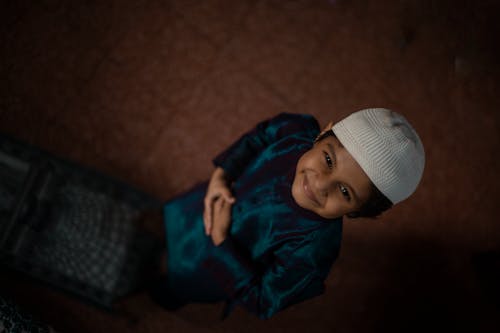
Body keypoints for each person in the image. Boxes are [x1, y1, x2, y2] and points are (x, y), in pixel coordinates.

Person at [150, 108, 425, 319]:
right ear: (322, 134)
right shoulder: (295, 132)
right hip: (202, 202)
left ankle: (162, 294)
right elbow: (259, 136)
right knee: (167, 224)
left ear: (359, 212)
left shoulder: (312, 254)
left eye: (344, 192)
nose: (319, 184)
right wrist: (222, 175)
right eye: (328, 160)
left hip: (210, 265)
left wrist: (222, 243)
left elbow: (264, 300)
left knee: (173, 283)